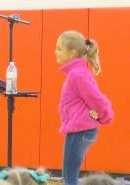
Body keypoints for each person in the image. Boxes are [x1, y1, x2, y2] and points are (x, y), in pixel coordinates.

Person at [54, 31, 114, 185]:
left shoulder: (77, 75)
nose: (56, 52)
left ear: (72, 53)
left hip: (80, 131)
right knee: (69, 174)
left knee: (69, 176)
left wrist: (104, 116)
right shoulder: (76, 73)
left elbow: (97, 100)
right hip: (78, 130)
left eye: (59, 49)